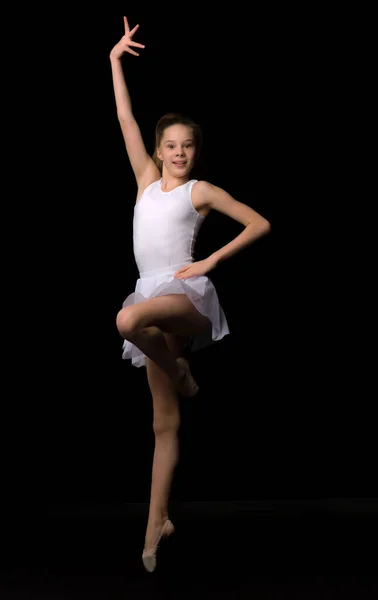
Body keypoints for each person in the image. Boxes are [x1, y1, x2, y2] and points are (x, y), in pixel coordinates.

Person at [110, 17, 271, 572]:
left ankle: (182, 370)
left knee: (129, 323)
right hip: (150, 294)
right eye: (170, 146)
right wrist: (113, 62)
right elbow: (125, 118)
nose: (178, 153)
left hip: (187, 298)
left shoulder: (200, 192)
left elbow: (258, 223)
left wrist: (210, 260)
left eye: (187, 147)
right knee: (164, 424)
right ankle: (156, 528)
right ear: (158, 151)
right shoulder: (144, 183)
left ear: (195, 153)